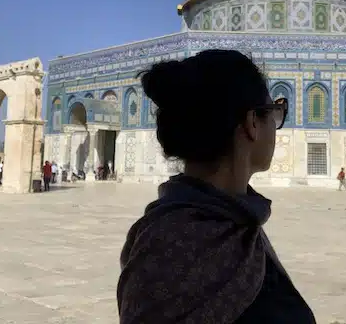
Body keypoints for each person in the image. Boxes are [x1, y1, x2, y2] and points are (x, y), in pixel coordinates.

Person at [116, 49, 315, 324]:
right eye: (275, 112)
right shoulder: (201, 236)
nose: (276, 126)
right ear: (252, 123)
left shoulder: (217, 225)